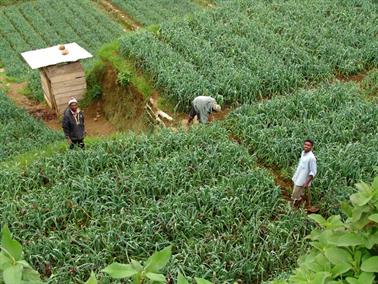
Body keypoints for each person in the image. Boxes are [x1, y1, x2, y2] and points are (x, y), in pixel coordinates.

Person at [291, 139, 317, 208]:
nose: (306, 146)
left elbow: (313, 172)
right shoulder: (303, 153)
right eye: (305, 144)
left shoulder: (312, 158)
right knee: (297, 192)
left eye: (308, 145)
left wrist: (306, 182)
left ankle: (295, 206)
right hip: (298, 175)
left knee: (295, 194)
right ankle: (299, 201)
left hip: (302, 180)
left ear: (312, 147)